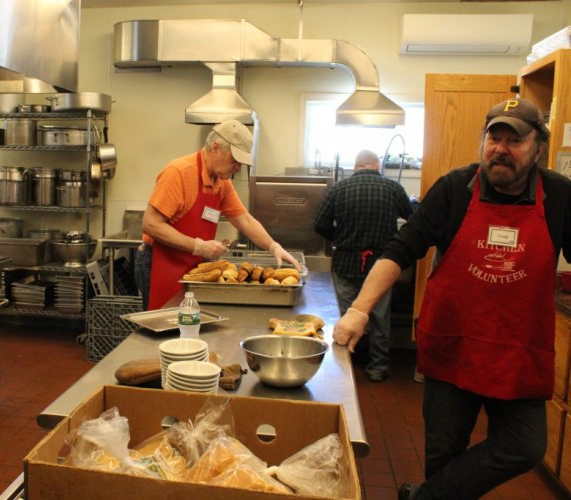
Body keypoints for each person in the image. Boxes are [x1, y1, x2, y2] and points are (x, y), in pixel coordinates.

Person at [332, 97, 571, 499]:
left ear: (537, 148)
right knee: (444, 456)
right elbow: (400, 249)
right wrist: (359, 310)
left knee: (524, 446)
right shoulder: (455, 189)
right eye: (494, 138)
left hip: (518, 351)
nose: (501, 149)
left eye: (514, 141)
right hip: (453, 347)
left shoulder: (560, 196)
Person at [135, 120, 301, 310]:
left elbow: (244, 220)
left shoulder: (222, 182)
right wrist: (199, 246)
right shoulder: (179, 173)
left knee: (187, 323)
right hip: (160, 263)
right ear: (215, 148)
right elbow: (151, 224)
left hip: (192, 265)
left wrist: (273, 246)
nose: (238, 168)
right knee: (164, 324)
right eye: (235, 160)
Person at [314, 149, 414, 382]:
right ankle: (377, 368)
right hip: (381, 266)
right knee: (379, 318)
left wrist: (339, 237)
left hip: (346, 262)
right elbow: (413, 219)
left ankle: (343, 366)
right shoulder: (393, 188)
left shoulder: (338, 189)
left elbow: (319, 224)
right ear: (377, 165)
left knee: (344, 317)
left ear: (356, 166)